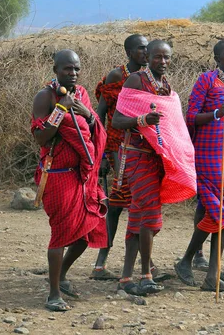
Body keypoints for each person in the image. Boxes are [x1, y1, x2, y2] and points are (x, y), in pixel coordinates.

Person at [113, 40, 197, 295]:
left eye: (167, 57)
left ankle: (127, 278)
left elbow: (173, 125)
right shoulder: (136, 81)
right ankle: (146, 274)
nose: (163, 62)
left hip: (157, 158)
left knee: (139, 216)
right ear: (147, 56)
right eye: (158, 57)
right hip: (137, 156)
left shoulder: (166, 86)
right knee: (149, 215)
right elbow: (117, 120)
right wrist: (142, 120)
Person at [31, 49, 108, 312]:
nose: (72, 73)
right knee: (60, 236)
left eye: (76, 69)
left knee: (86, 234)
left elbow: (95, 126)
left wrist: (86, 112)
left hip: (83, 175)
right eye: (67, 69)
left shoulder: (82, 94)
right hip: (57, 176)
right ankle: (53, 294)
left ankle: (61, 275)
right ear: (55, 70)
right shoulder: (46, 96)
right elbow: (41, 137)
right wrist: (60, 110)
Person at [175, 39, 224, 292]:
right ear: (217, 58)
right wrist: (217, 113)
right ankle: (205, 271)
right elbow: (192, 116)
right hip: (210, 156)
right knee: (220, 211)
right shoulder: (206, 80)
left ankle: (213, 272)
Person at [91, 34, 149, 281]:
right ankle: (101, 263)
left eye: (148, 48)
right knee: (119, 202)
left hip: (141, 148)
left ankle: (144, 262)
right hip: (117, 146)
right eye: (140, 48)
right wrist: (102, 153)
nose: (145, 52)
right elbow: (100, 114)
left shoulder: (150, 78)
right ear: (128, 52)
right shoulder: (118, 76)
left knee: (135, 202)